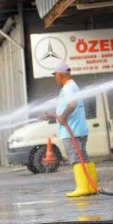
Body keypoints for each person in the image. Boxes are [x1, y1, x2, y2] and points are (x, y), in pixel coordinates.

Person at [42, 63, 98, 197]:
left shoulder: (68, 88)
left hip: (72, 130)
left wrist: (63, 116)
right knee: (83, 157)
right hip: (78, 129)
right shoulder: (72, 87)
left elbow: (72, 104)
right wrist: (52, 114)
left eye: (55, 75)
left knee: (76, 158)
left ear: (60, 74)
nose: (55, 78)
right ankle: (91, 186)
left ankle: (83, 188)